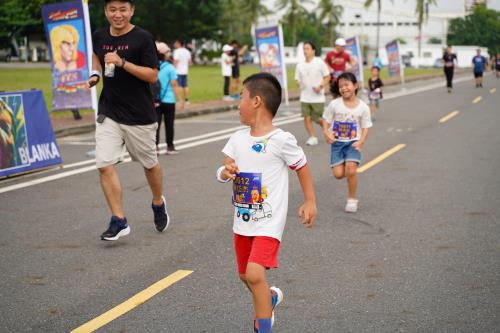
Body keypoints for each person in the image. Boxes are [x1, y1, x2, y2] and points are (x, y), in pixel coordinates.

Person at [216, 73, 317, 333]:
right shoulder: (237, 139)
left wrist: (309, 200)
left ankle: (263, 327)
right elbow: (224, 169)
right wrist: (225, 172)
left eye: (241, 97)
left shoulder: (281, 140)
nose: (238, 104)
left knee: (254, 274)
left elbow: (302, 166)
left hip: (269, 223)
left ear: (257, 101)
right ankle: (269, 298)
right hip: (242, 221)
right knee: (245, 276)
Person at [87, 0, 170, 241]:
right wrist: (95, 74)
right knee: (103, 164)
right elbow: (96, 54)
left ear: (131, 10)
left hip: (139, 116)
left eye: (123, 9)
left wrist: (123, 63)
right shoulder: (99, 35)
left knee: (149, 163)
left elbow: (152, 75)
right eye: (112, 10)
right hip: (109, 111)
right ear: (105, 12)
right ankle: (119, 220)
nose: (118, 14)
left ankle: (157, 201)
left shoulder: (142, 38)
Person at [322, 72, 372, 213]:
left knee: (351, 170)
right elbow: (326, 120)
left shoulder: (363, 107)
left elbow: (366, 126)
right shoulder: (334, 104)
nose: (344, 88)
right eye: (340, 86)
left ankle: (352, 199)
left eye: (347, 84)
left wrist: (361, 141)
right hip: (337, 143)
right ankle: (348, 167)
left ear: (355, 86)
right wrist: (326, 132)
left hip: (353, 143)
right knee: (338, 174)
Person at [294, 41, 330, 146]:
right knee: (306, 117)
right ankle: (312, 137)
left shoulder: (319, 62)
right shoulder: (300, 65)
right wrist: (299, 83)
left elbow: (327, 76)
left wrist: (321, 86)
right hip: (305, 96)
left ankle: (329, 128)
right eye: (304, 49)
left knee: (317, 118)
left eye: (307, 48)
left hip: (317, 97)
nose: (305, 51)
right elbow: (297, 79)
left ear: (313, 50)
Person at [155, 42, 184, 155]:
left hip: (155, 100)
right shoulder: (170, 67)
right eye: (167, 51)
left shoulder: (152, 66)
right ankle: (170, 147)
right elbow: (174, 85)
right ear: (163, 53)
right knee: (169, 124)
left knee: (155, 125)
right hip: (169, 99)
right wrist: (181, 99)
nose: (169, 53)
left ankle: (155, 147)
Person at [173, 40, 192, 104]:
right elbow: (189, 61)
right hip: (185, 71)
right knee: (185, 86)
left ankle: (179, 100)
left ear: (179, 44)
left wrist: (173, 68)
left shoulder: (177, 51)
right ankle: (187, 100)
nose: (175, 44)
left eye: (175, 43)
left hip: (178, 71)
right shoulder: (187, 51)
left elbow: (176, 61)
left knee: (179, 86)